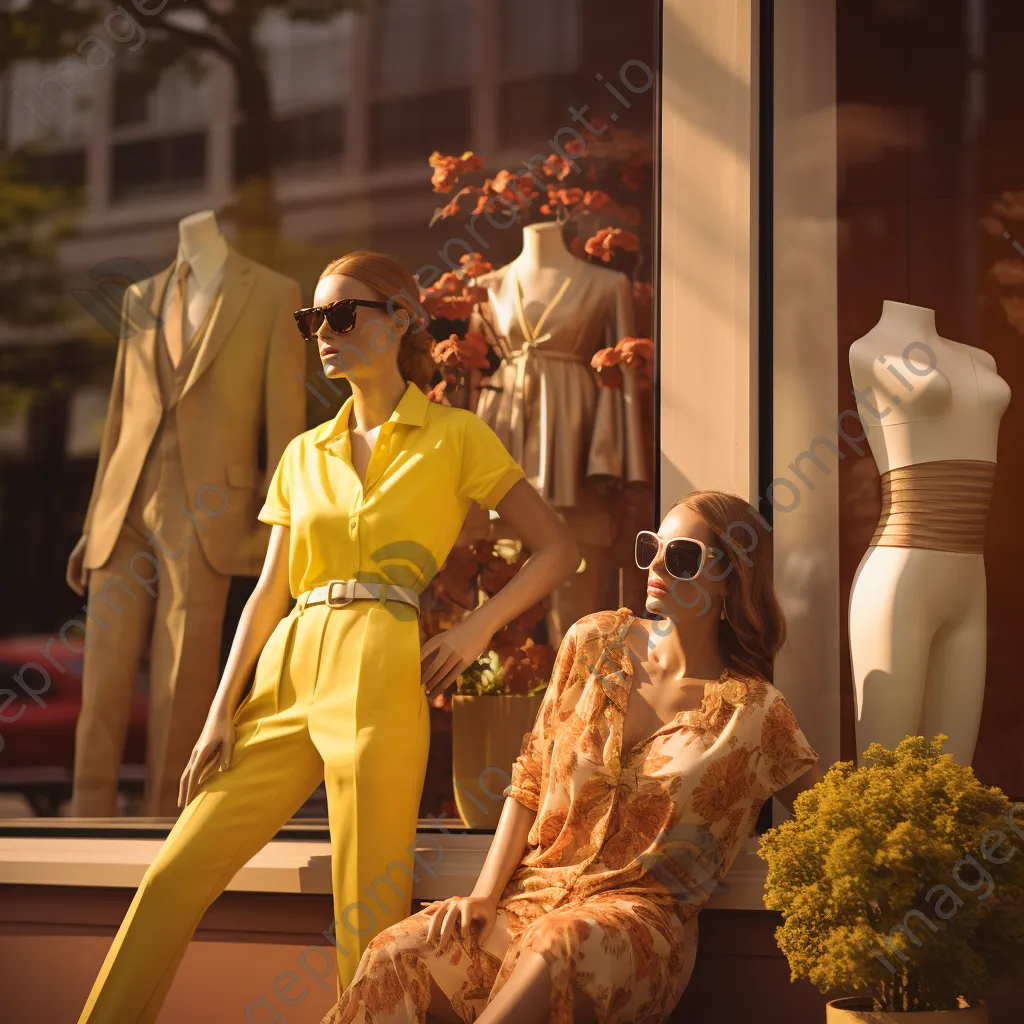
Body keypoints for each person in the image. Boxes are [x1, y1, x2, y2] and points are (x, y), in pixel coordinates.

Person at [76, 251, 581, 1024]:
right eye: (313, 319)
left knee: (363, 920)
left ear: (402, 318)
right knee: (172, 874)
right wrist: (221, 708)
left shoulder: (455, 437)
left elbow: (556, 548)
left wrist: (479, 628)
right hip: (287, 669)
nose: (323, 334)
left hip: (381, 670)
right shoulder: (302, 453)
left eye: (343, 315)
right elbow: (267, 592)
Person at [323, 491, 822, 1024]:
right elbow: (532, 776)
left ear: (729, 577)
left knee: (557, 943)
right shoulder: (593, 641)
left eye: (681, 556)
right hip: (530, 897)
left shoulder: (755, 714)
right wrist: (483, 895)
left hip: (635, 925)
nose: (655, 564)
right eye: (650, 546)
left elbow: (827, 816)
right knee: (392, 955)